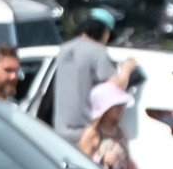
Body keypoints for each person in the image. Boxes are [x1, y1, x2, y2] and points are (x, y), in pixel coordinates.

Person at [53, 7, 135, 136]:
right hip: (84, 133)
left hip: (60, 129)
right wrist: (127, 68)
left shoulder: (64, 49)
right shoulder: (97, 51)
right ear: (105, 31)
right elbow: (117, 86)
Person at [78, 73, 140, 169]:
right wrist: (101, 160)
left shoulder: (121, 133)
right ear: (104, 109)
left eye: (122, 104)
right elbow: (80, 165)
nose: (121, 109)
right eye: (116, 106)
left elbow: (128, 164)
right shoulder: (93, 133)